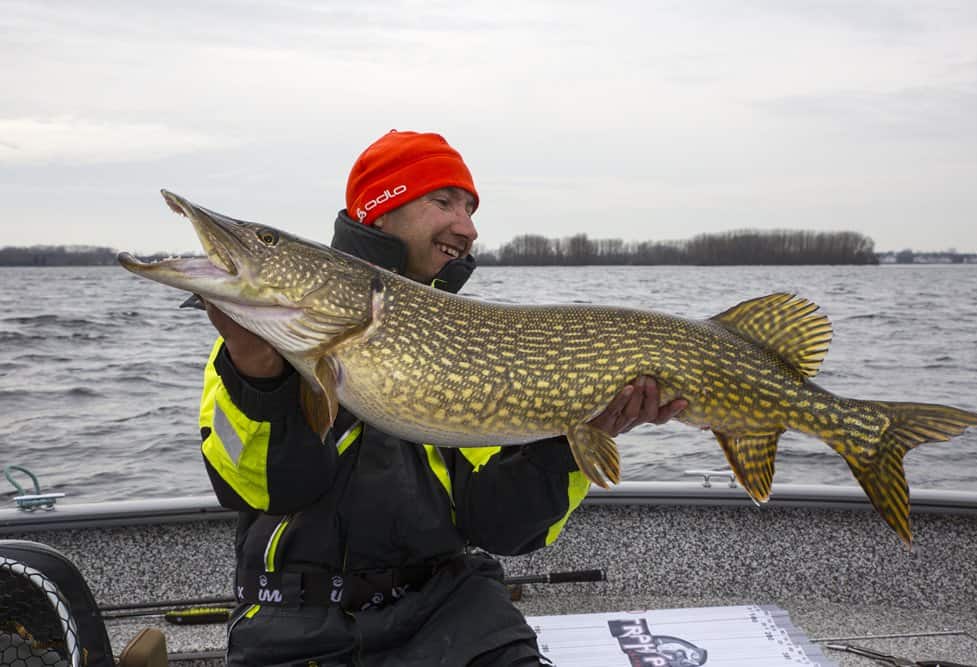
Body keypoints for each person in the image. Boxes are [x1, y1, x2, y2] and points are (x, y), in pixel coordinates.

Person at [198, 129, 688, 666]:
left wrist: (570, 443)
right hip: (295, 618)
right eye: (444, 202)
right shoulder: (257, 343)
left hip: (451, 608)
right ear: (380, 210)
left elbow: (499, 525)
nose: (467, 227)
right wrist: (258, 375)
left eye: (470, 208)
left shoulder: (472, 338)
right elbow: (271, 487)